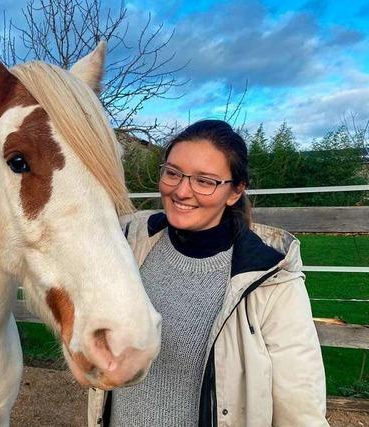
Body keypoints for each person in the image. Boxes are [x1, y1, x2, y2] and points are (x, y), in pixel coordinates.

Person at [88, 119, 328, 426]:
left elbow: (300, 407)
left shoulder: (270, 283)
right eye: (172, 173)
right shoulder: (130, 245)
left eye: (205, 181)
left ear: (234, 192)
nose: (181, 191)